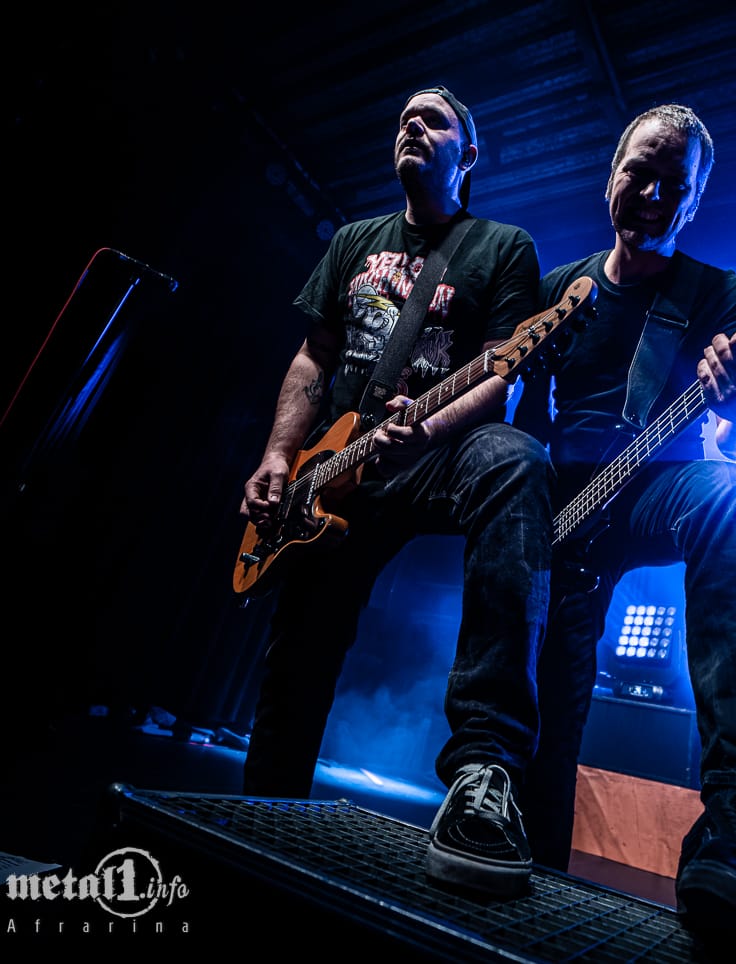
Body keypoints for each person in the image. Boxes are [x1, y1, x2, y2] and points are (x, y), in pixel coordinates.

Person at [238, 86, 553, 899]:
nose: (411, 125)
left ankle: (484, 764)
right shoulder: (353, 240)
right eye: (404, 119)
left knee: (514, 457)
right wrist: (279, 457)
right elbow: (313, 358)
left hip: (434, 450)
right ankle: (260, 816)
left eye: (432, 120)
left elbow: (505, 372)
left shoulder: (502, 246)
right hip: (334, 470)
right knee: (298, 653)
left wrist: (429, 426)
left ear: (468, 154)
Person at [513, 103, 736, 964]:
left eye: (673, 185)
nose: (650, 194)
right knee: (547, 718)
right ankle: (523, 877)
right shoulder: (558, 288)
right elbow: (518, 419)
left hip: (654, 488)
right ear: (612, 171)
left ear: (695, 200)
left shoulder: (716, 295)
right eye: (639, 172)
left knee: (732, 494)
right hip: (557, 509)